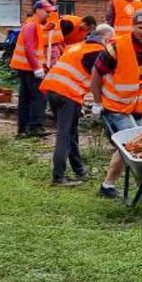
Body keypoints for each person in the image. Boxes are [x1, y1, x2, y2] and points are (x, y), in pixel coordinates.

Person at [87, 11, 142, 199]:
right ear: (133, 27)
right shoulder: (116, 46)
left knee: (128, 146)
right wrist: (97, 102)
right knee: (135, 142)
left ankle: (108, 186)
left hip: (139, 107)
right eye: (141, 28)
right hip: (115, 106)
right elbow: (96, 73)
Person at [41, 22, 110, 186]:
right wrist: (100, 102)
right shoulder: (97, 52)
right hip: (67, 92)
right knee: (64, 134)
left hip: (52, 89)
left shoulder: (77, 46)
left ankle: (79, 170)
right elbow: (100, 78)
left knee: (71, 133)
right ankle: (58, 177)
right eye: (112, 41)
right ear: (107, 38)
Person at [10, 0, 54, 137]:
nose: (48, 14)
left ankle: (23, 129)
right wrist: (37, 67)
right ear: (38, 10)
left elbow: (34, 40)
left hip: (25, 67)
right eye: (46, 12)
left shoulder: (33, 25)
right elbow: (29, 47)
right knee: (39, 97)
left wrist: (46, 29)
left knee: (26, 98)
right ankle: (35, 127)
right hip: (29, 68)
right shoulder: (31, 26)